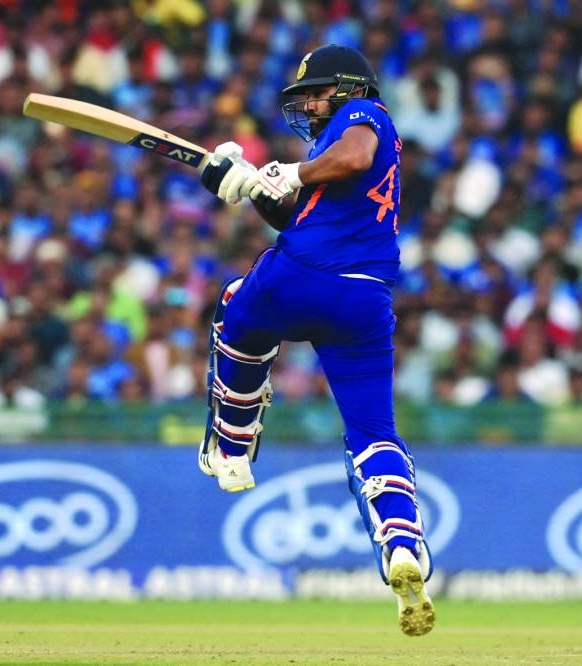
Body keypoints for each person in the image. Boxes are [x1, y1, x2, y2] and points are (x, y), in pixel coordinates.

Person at [195, 44, 435, 636]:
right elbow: (293, 214)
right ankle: (402, 543)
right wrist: (242, 184)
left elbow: (352, 159)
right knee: (374, 433)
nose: (305, 103)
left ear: (351, 88)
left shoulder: (367, 117)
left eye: (315, 92)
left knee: (235, 310)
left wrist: (288, 171)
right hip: (364, 301)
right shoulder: (326, 151)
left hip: (302, 277)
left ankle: (232, 443)